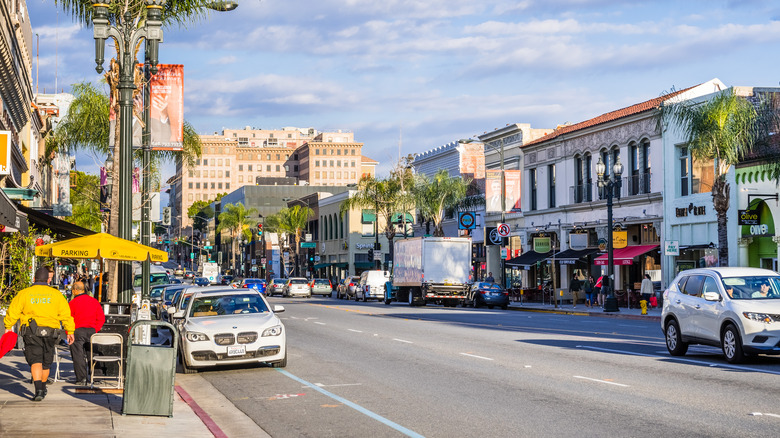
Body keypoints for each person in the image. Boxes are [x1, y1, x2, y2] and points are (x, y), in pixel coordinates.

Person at [3, 266, 75, 401]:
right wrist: (69, 331)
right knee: (46, 362)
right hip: (51, 332)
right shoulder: (56, 294)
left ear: (34, 278)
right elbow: (66, 314)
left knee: (35, 360)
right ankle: (42, 386)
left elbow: (13, 311)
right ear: (48, 279)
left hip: (31, 331)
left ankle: (38, 390)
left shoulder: (24, 293)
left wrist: (8, 326)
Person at [68, 281, 105, 386]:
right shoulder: (94, 301)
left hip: (77, 330)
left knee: (78, 355)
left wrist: (69, 332)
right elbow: (101, 318)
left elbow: (68, 319)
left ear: (75, 290)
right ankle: (97, 376)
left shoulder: (72, 303)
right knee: (93, 353)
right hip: (92, 330)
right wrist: (96, 329)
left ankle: (81, 379)